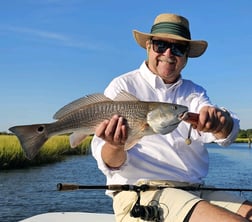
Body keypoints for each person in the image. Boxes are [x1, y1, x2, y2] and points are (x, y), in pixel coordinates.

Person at [91, 13, 252, 221]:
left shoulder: (194, 92)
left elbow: (224, 132)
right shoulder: (122, 87)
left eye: (178, 48)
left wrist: (221, 121)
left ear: (186, 56)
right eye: (160, 45)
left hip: (195, 191)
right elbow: (108, 162)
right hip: (140, 194)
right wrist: (114, 145)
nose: (168, 53)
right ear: (148, 46)